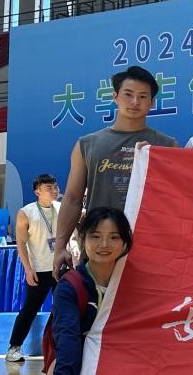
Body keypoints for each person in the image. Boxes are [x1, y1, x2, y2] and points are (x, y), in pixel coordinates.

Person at [45, 207, 160, 375]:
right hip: (81, 360)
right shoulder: (71, 285)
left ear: (125, 242)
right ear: (83, 238)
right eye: (95, 236)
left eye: (114, 237)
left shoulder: (136, 282)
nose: (104, 245)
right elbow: (67, 338)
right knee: (56, 373)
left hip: (122, 368)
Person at [51, 66, 178, 277]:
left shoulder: (167, 146)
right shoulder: (87, 144)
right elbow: (72, 198)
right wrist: (60, 247)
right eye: (128, 94)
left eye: (142, 96)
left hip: (149, 252)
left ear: (152, 103)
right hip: (99, 250)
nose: (135, 102)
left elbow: (176, 201)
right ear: (115, 97)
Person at [6, 173, 62, 362]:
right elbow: (21, 243)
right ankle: (14, 347)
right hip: (39, 270)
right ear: (37, 192)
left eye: (55, 187)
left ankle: (61, 347)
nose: (54, 190)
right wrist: (28, 269)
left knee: (64, 308)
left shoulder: (62, 208)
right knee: (30, 309)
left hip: (61, 268)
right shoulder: (26, 212)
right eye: (49, 188)